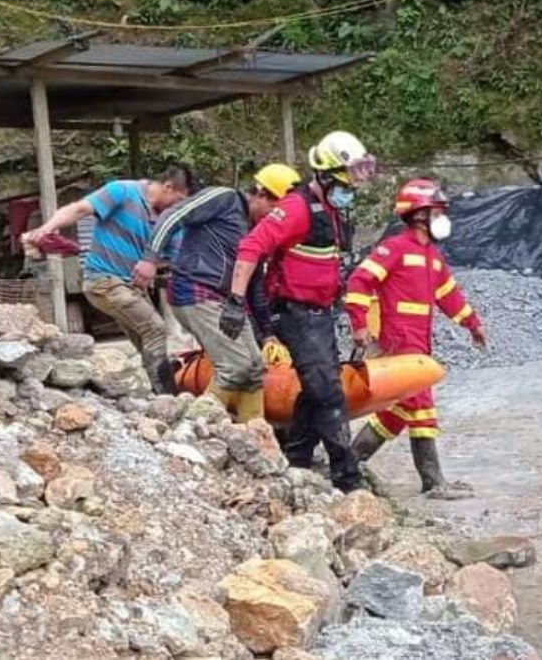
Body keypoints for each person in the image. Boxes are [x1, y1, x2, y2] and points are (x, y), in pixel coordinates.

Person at [219, 131, 378, 493]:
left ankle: (298, 460)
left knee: (315, 388)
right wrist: (234, 301)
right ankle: (347, 478)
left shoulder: (334, 213)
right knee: (328, 391)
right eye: (343, 182)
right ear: (323, 176)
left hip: (319, 313)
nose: (349, 189)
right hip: (296, 313)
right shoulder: (296, 208)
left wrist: (354, 318)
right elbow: (251, 246)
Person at [344, 178, 487, 499]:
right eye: (436, 212)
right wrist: (359, 323)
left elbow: (450, 296)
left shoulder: (432, 257)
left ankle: (350, 462)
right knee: (421, 404)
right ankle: (433, 481)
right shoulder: (394, 249)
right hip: (398, 342)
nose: (441, 218)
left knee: (395, 414)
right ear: (419, 215)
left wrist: (473, 324)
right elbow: (358, 281)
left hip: (420, 341)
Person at [130, 164, 302, 422]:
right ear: (260, 194)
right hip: (196, 290)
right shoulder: (224, 199)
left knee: (254, 367)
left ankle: (254, 436)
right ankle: (193, 428)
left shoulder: (258, 230)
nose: (276, 217)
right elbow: (174, 215)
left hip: (226, 302)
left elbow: (254, 282)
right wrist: (150, 258)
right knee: (233, 368)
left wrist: (267, 334)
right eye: (275, 209)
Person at [22, 166, 192, 393]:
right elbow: (79, 209)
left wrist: (153, 265)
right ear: (168, 187)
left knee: (146, 339)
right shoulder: (122, 191)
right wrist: (46, 229)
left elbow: (173, 258)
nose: (178, 206)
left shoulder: (171, 220)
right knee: (156, 329)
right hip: (103, 281)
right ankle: (167, 393)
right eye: (178, 199)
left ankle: (154, 394)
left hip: (131, 287)